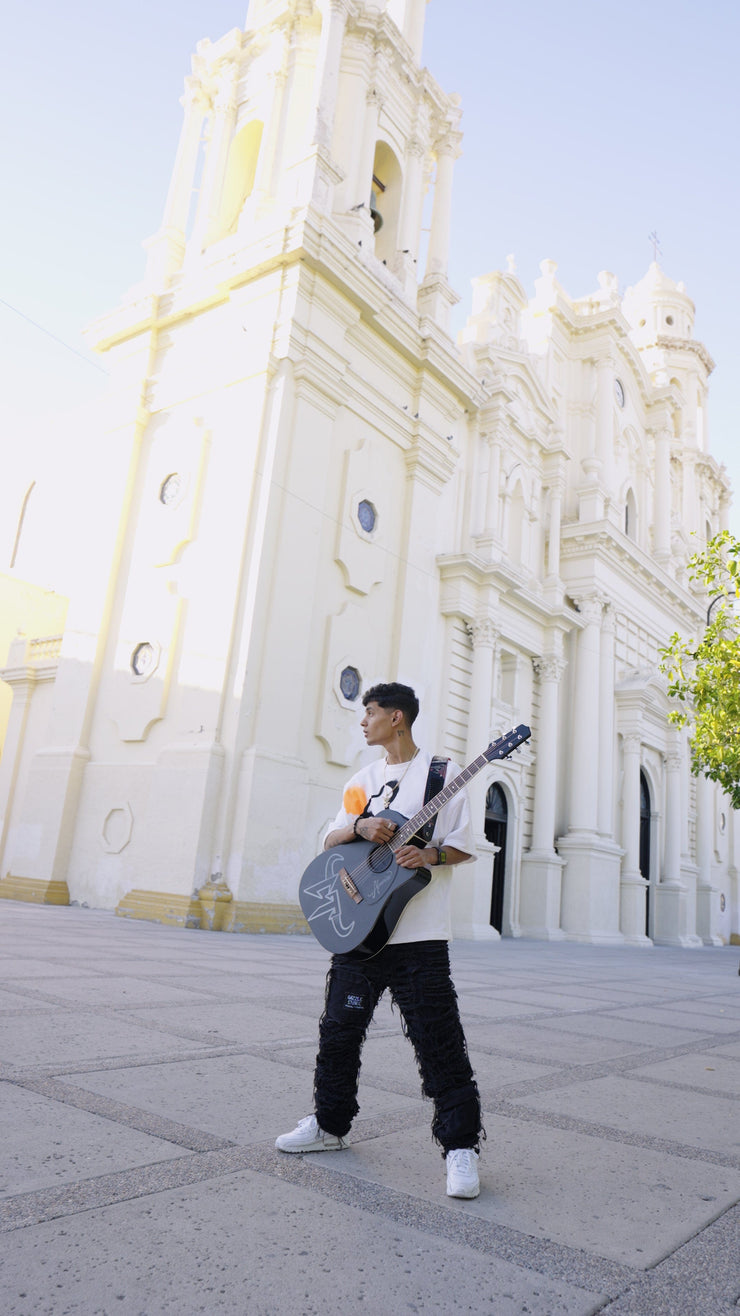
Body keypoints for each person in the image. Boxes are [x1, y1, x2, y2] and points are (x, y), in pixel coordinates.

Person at [276, 681, 483, 1199]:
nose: (362, 721)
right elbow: (331, 839)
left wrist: (430, 855)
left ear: (397, 717)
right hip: (358, 934)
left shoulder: (442, 776)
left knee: (439, 1044)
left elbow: (463, 846)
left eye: (369, 712)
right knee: (338, 1034)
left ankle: (461, 1148)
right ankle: (329, 1125)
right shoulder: (361, 780)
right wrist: (361, 828)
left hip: (420, 939)